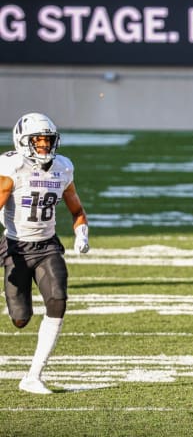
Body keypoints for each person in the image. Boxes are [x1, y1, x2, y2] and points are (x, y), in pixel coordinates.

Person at [0, 112, 90, 394]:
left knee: (58, 300)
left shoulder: (63, 167)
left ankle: (33, 376)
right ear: (23, 141)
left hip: (48, 245)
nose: (44, 146)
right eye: (38, 141)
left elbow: (76, 209)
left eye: (48, 141)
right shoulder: (12, 167)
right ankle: (17, 305)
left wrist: (82, 231)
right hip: (16, 247)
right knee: (20, 318)